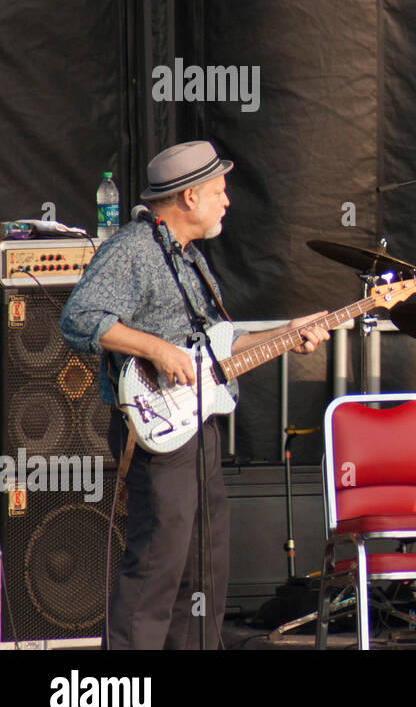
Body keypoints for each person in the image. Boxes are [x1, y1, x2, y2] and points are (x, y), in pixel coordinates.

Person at [60, 140, 329, 650]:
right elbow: (78, 318)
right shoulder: (134, 249)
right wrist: (156, 349)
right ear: (188, 198)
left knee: (204, 568)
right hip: (156, 433)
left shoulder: (189, 260)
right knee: (156, 567)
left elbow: (219, 348)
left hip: (197, 425)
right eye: (219, 192)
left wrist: (290, 331)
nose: (227, 202)